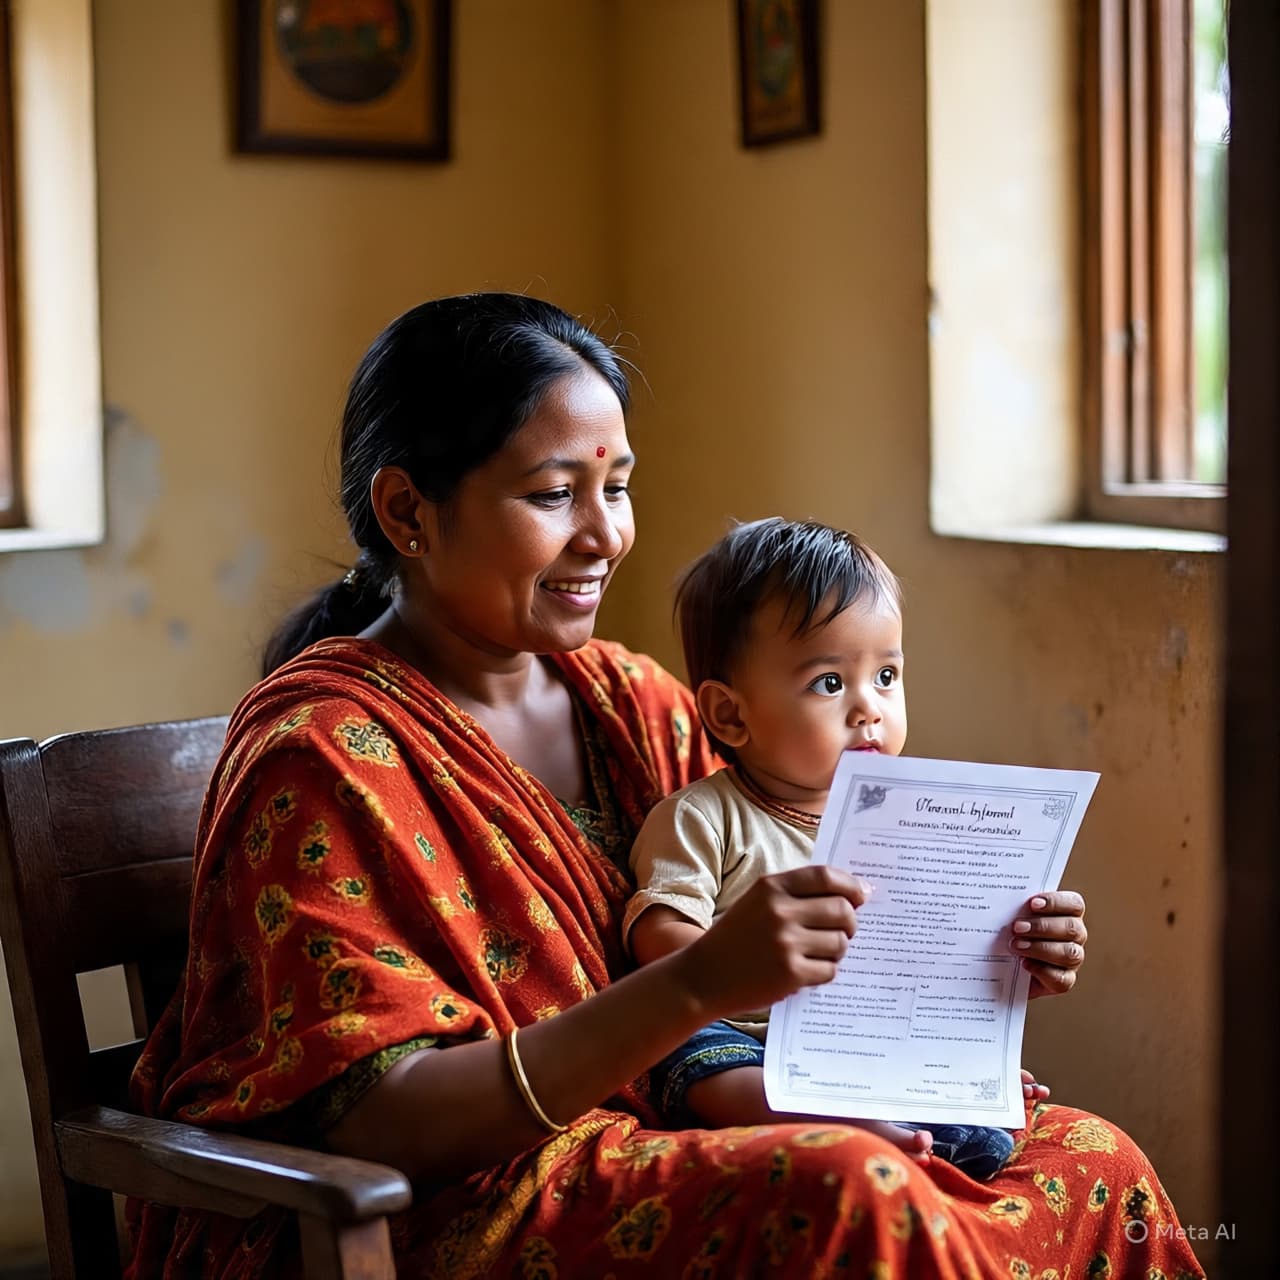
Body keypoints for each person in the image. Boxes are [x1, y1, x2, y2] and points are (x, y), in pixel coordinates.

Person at [126, 294, 1204, 1278]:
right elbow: (374, 1121)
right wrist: (692, 988)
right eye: (554, 494)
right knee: (851, 1193)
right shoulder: (325, 754)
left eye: (618, 486)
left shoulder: (630, 699)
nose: (605, 536)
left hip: (693, 1117)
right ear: (408, 510)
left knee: (1087, 1156)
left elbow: (798, 937)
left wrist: (982, 950)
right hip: (462, 1202)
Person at [626, 517, 1022, 1180]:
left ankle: (920, 1112)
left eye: (888, 675)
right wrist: (733, 962)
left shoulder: (912, 825)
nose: (869, 707)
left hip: (863, 1040)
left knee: (989, 1128)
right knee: (696, 1058)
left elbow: (929, 961)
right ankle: (824, 1119)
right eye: (830, 683)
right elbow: (657, 931)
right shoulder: (704, 817)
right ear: (729, 715)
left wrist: (981, 1010)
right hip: (746, 1036)